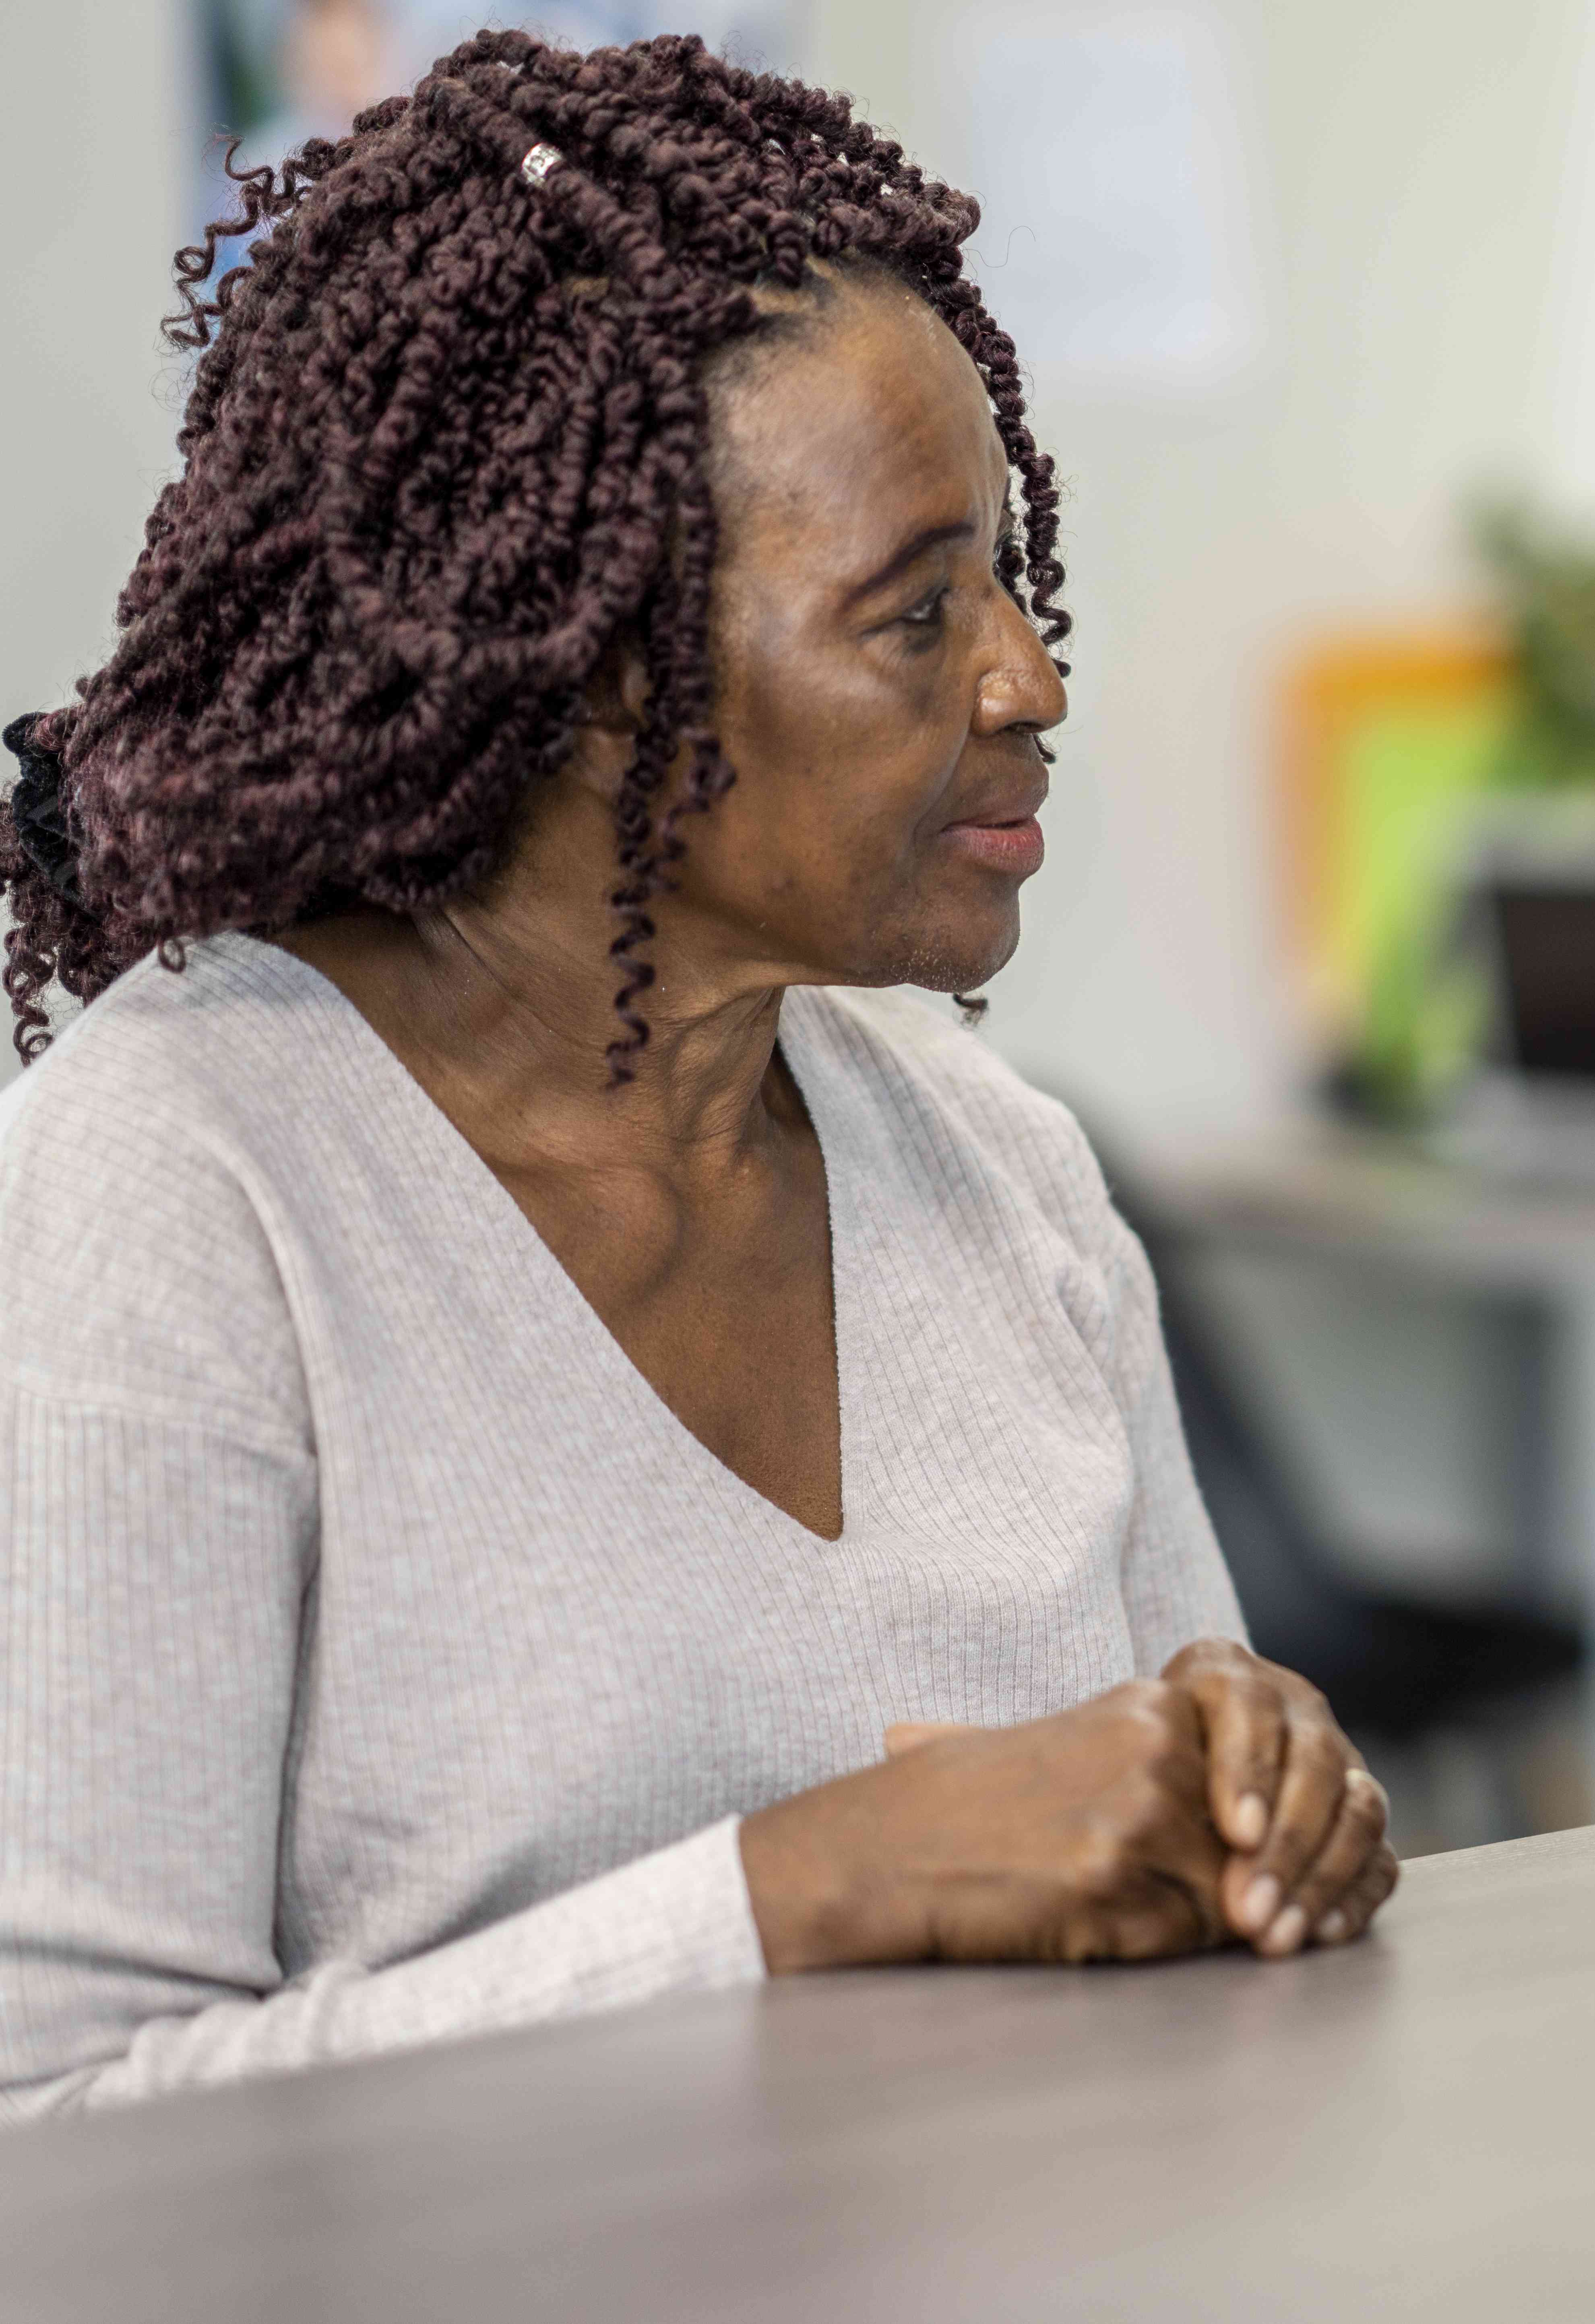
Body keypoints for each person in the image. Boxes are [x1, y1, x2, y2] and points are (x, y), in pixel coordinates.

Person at [0, 33, 1396, 2122]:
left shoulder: (1000, 1164)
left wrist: (1261, 1806)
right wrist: (804, 1890)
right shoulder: (176, 1191)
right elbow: (55, 2133)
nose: (1029, 676)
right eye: (912, 617)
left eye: (1007, 578)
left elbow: (1175, 1847)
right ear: (584, 672)